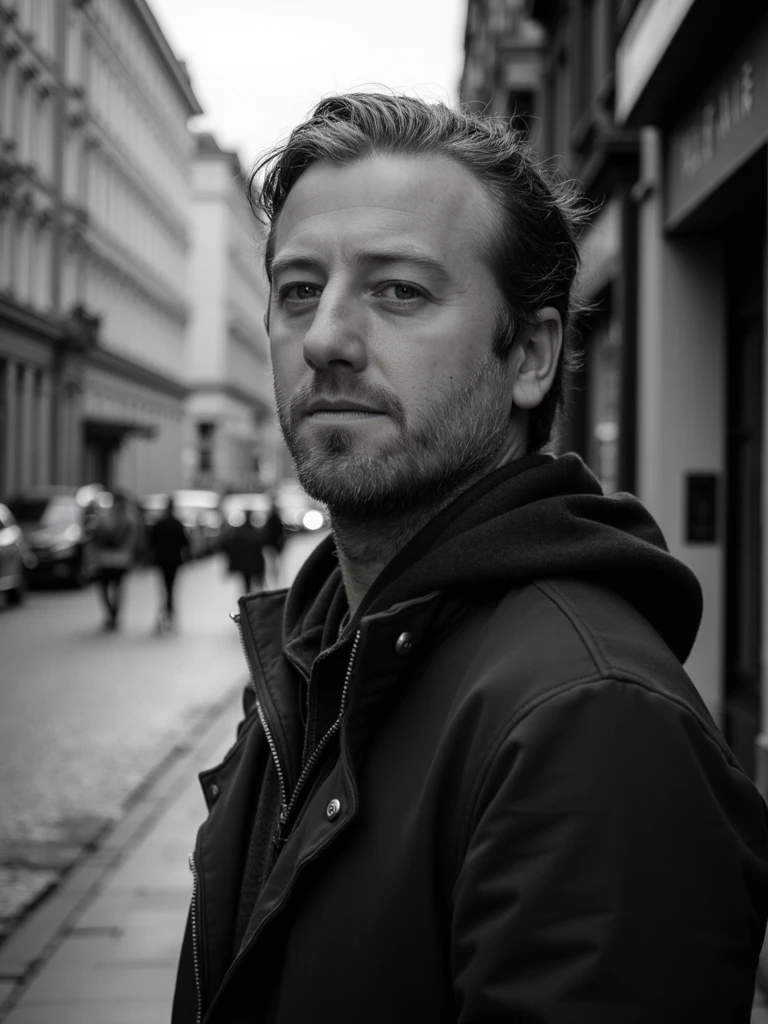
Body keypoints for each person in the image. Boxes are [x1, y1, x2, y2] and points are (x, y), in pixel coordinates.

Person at [172, 94, 768, 1024]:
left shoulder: (592, 722)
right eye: (298, 290)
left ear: (530, 354)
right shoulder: (319, 652)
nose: (325, 337)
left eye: (398, 289)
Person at [92, 490, 139, 630]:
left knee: (114, 588)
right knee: (110, 587)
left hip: (116, 559)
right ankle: (112, 614)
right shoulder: (122, 518)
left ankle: (113, 615)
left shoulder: (122, 518)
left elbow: (132, 541)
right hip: (112, 559)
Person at [148, 496, 189, 632]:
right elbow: (185, 542)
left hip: (162, 561)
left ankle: (166, 611)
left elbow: (152, 541)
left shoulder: (160, 523)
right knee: (171, 587)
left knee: (165, 587)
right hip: (174, 561)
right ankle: (169, 611)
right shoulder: (177, 523)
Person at [222, 508, 266, 594]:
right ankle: (250, 597)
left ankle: (248, 596)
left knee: (246, 583)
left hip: (244, 564)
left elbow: (228, 547)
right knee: (252, 583)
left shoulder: (238, 532)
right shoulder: (255, 532)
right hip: (253, 564)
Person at [261, 495, 286, 588]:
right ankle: (274, 580)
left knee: (271, 565)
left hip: (270, 545)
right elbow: (281, 534)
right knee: (274, 564)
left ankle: (272, 581)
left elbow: (267, 533)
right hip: (275, 545)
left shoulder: (270, 520)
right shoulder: (277, 520)